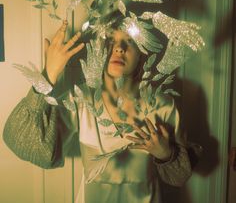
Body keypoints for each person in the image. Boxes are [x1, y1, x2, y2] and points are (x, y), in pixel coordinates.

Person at [3, 18, 192, 203]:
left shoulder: (162, 104)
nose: (119, 48)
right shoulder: (80, 100)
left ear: (142, 54)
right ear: (98, 50)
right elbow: (28, 146)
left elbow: (180, 176)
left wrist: (166, 155)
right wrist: (47, 76)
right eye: (111, 41)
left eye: (130, 41)